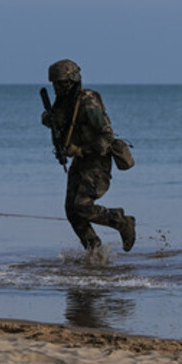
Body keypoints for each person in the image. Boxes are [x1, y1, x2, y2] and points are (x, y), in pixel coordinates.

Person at [41, 59, 136, 254]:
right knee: (71, 210)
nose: (57, 88)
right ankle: (94, 252)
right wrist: (49, 120)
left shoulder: (87, 102)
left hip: (97, 160)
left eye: (61, 83)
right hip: (81, 162)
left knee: (82, 206)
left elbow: (107, 136)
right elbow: (60, 123)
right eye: (55, 84)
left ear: (72, 81)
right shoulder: (63, 103)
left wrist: (80, 150)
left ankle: (121, 221)